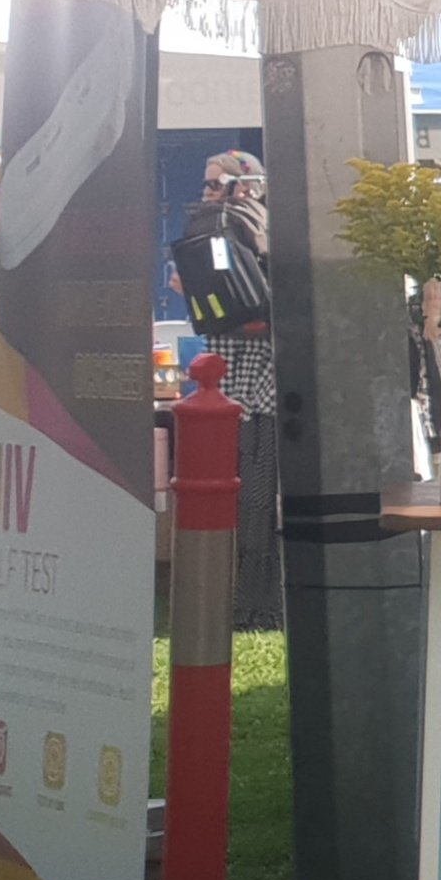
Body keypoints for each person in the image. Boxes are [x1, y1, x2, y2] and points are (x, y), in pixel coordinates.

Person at [180, 150, 281, 631]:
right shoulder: (266, 227)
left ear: (242, 187)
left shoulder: (230, 226)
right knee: (257, 502)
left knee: (253, 502)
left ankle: (254, 605)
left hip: (247, 394)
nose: (205, 194)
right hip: (256, 391)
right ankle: (257, 602)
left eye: (212, 183)